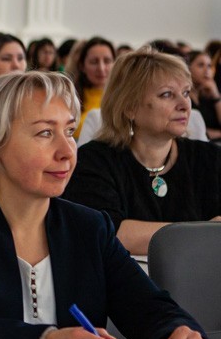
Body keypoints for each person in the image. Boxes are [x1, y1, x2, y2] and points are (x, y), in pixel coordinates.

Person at [0, 70, 214, 339]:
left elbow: (147, 306)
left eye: (70, 131)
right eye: (45, 133)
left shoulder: (89, 227)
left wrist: (179, 334)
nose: (67, 151)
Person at [62, 48, 221, 255]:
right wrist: (203, 232)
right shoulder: (94, 161)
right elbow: (109, 233)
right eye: (167, 94)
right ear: (130, 107)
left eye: (185, 93)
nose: (184, 105)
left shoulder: (209, 158)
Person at [70, 36, 115, 137]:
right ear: (82, 66)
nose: (101, 68)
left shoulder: (123, 99)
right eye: (94, 62)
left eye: (107, 61)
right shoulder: (70, 98)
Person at [188, 50, 221, 140]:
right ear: (188, 68)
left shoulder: (209, 95)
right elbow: (190, 131)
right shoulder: (184, 97)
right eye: (201, 65)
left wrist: (216, 96)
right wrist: (219, 134)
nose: (207, 70)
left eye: (209, 66)